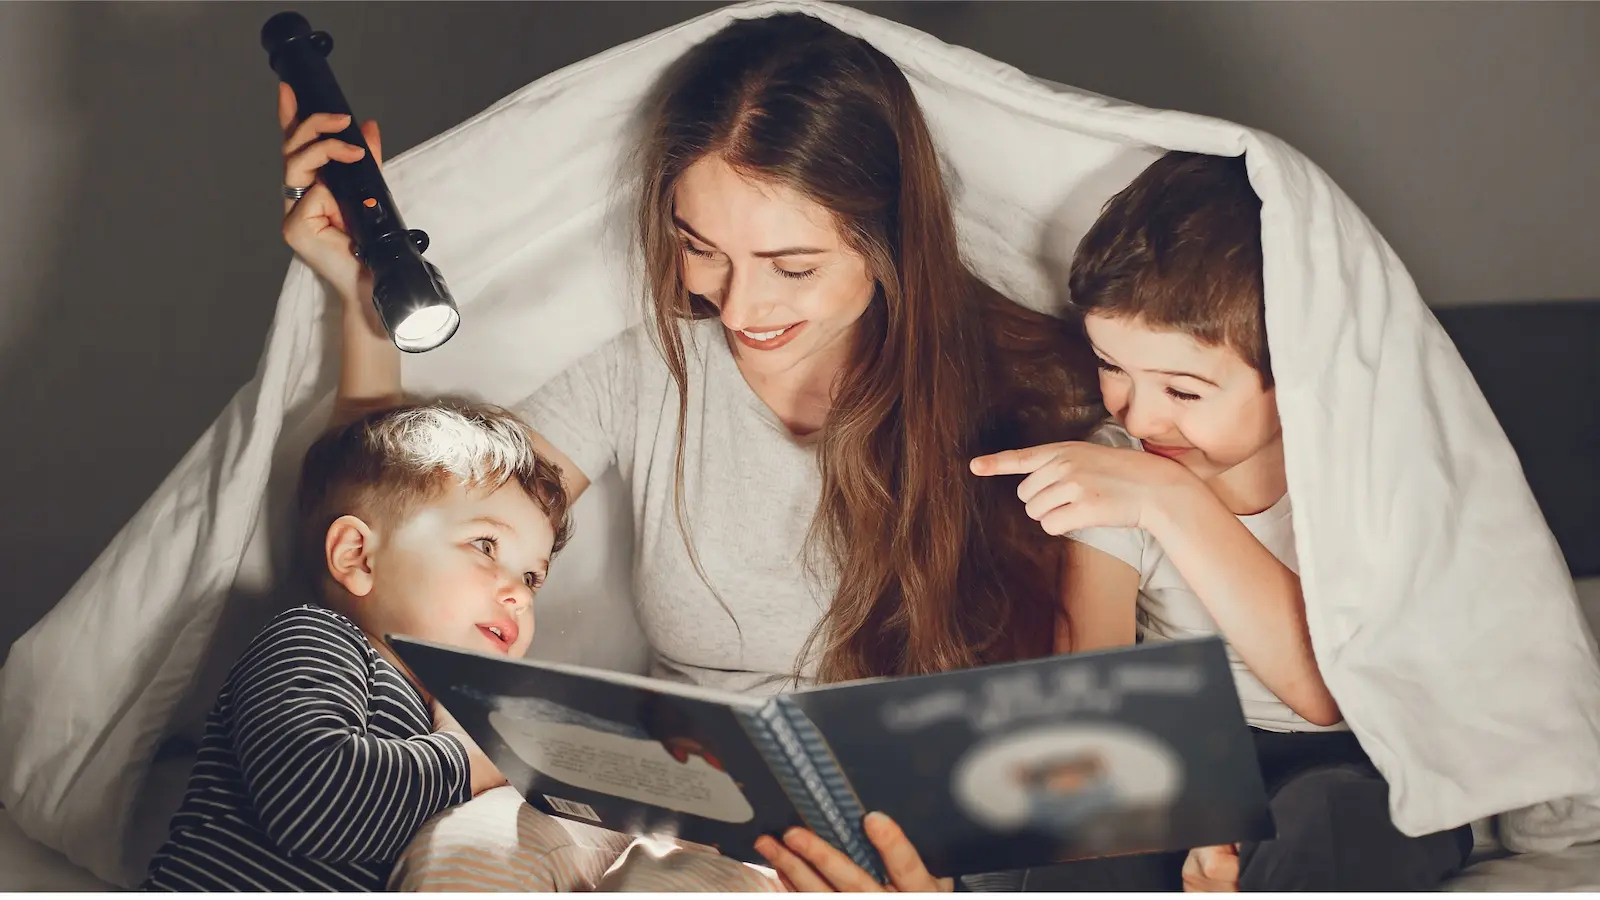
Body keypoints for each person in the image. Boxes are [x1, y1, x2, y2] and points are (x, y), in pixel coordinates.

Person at [274, 10, 1103, 893]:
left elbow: (1089, 738)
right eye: (701, 248)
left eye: (792, 266)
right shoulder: (651, 369)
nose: (740, 308)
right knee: (462, 854)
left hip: (868, 828)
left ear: (891, 239)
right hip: (651, 779)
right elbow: (393, 512)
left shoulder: (1030, 395)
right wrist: (362, 300)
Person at [971, 151, 1475, 891]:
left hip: (1363, 755)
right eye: (1112, 365)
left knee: (1336, 821)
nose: (1138, 414)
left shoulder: (1359, 468)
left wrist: (1171, 502)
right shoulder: (1118, 462)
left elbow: (1325, 692)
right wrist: (1196, 811)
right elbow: (1094, 682)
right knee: (1050, 846)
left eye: (1183, 388)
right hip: (1189, 750)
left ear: (1295, 376)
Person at [141, 121, 578, 888]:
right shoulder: (317, 645)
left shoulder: (428, 707)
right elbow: (314, 801)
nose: (517, 588)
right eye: (485, 546)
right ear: (356, 556)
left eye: (534, 578)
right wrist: (473, 764)